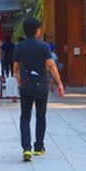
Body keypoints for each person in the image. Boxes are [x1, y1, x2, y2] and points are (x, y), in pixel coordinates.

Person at [13, 17, 64, 162]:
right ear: (37, 30)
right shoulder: (44, 46)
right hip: (41, 84)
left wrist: (17, 76)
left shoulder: (20, 46)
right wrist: (59, 83)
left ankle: (26, 148)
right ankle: (39, 146)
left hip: (26, 85)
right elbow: (51, 65)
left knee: (25, 117)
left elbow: (16, 67)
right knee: (41, 116)